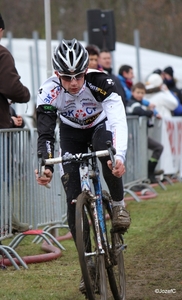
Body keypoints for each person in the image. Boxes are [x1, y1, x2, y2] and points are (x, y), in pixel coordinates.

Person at [35, 39, 130, 252]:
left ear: (86, 70)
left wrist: (120, 156)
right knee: (72, 198)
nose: (74, 83)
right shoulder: (48, 91)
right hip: (71, 133)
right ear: (57, 74)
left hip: (99, 125)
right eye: (67, 78)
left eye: (78, 75)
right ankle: (87, 259)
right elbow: (46, 133)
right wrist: (46, 166)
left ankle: (117, 206)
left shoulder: (101, 82)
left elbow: (117, 121)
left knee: (108, 155)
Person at [0, 13, 30, 232]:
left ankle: (7, 220)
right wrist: (25, 94)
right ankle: (5, 222)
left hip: (4, 123)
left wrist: (9, 118)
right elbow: (12, 88)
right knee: (4, 179)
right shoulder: (1, 53)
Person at [126, 82, 164, 183]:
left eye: (142, 93)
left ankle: (150, 172)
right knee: (134, 159)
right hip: (132, 136)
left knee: (158, 147)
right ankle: (136, 181)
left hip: (142, 135)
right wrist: (151, 112)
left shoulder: (142, 103)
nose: (140, 95)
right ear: (132, 92)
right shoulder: (131, 102)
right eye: (138, 92)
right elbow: (139, 112)